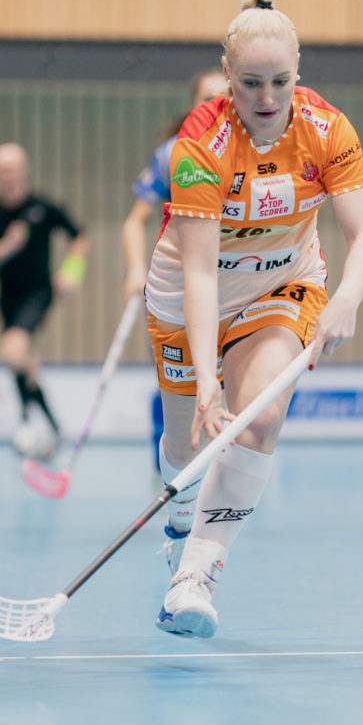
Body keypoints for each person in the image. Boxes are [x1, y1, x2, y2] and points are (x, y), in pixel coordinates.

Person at [144, 0, 363, 638]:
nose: (267, 98)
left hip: (282, 286)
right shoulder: (200, 146)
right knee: (186, 441)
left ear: (299, 69)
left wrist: (346, 298)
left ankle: (195, 577)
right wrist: (206, 378)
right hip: (188, 294)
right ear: (226, 75)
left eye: (280, 81)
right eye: (250, 83)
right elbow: (198, 271)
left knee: (259, 418)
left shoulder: (329, 130)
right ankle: (181, 517)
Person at [122, 68, 230, 470]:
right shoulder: (174, 153)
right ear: (193, 105)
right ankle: (168, 464)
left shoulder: (252, 147)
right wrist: (136, 269)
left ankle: (225, 466)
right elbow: (134, 221)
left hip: (235, 281)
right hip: (183, 282)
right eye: (207, 98)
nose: (217, 105)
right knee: (177, 377)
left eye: (223, 97)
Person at [0, 142, 90, 451]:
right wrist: (6, 246)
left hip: (39, 292)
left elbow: (79, 236)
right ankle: (51, 425)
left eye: (11, 170)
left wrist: (72, 271)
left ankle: (26, 422)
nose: (6, 176)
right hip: (6, 295)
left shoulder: (43, 207)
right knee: (21, 361)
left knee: (13, 350)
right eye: (0, 171)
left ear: (24, 171)